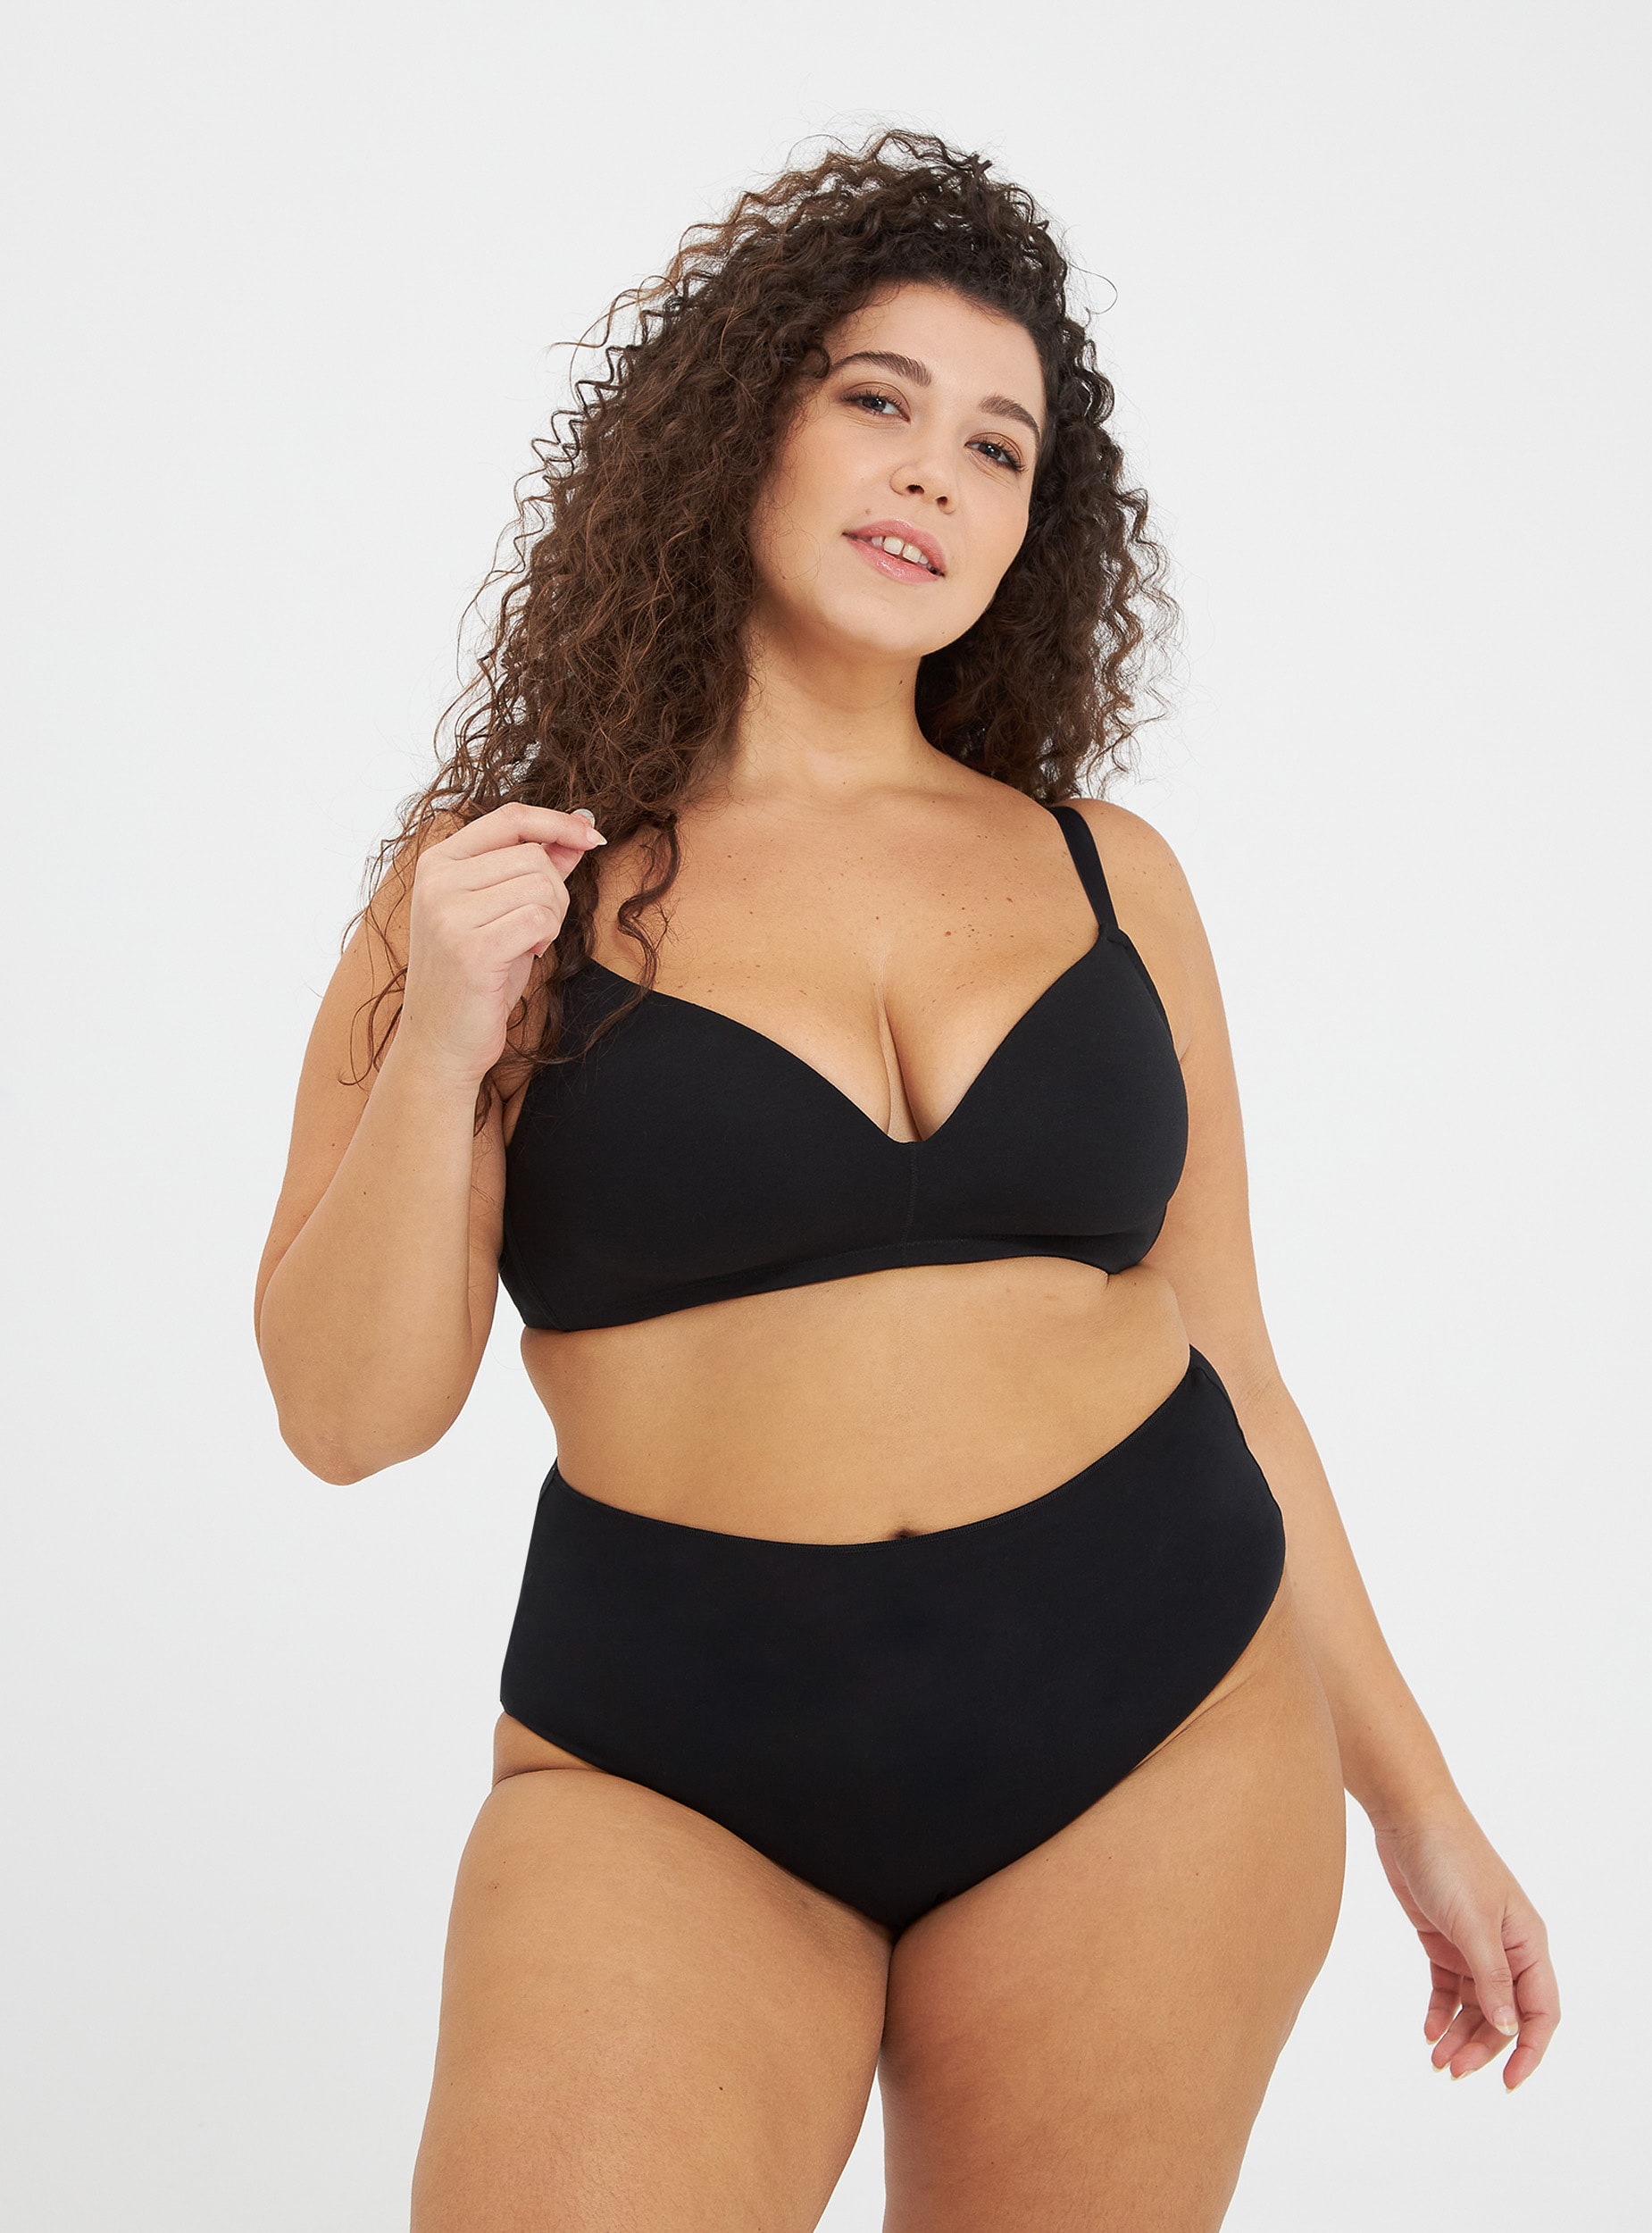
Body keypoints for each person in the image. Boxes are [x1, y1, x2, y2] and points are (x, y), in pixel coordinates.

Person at [254, 130, 1558, 2232]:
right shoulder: (497, 892)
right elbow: (347, 1415)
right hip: (666, 1762)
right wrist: (442, 1040)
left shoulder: (1108, 875)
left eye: (995, 448)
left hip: (1156, 1726)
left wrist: (1419, 1807)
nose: (934, 475)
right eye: (878, 398)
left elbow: (1235, 1361)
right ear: (736, 425)